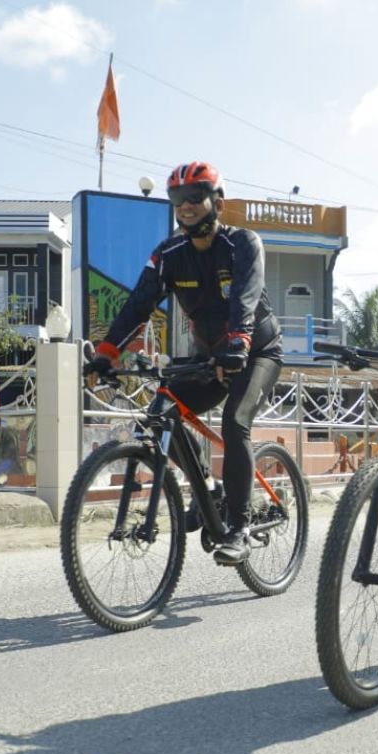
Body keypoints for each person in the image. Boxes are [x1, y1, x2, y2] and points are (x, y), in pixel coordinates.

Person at [85, 161, 283, 566]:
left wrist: (239, 343)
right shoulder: (169, 254)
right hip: (210, 358)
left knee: (234, 424)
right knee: (162, 412)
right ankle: (210, 489)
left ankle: (240, 529)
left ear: (217, 202)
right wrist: (107, 353)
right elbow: (138, 304)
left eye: (195, 197)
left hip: (257, 352)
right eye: (178, 199)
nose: (186, 206)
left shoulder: (243, 243)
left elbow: (245, 298)